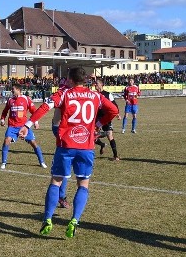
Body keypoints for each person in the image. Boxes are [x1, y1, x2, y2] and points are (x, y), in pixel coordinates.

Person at [19, 67, 118, 238]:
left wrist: (27, 125)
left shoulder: (64, 93)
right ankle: (74, 220)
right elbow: (114, 111)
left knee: (56, 182)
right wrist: (98, 124)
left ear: (70, 80)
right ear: (85, 80)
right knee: (83, 185)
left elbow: (44, 107)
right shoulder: (95, 96)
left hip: (66, 145)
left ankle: (48, 218)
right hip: (86, 147)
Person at [0, 83, 46, 169]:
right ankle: (3, 162)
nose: (11, 90)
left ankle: (42, 162)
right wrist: (2, 119)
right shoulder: (10, 100)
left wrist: (36, 122)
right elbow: (5, 111)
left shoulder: (26, 99)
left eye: (13, 89)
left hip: (24, 127)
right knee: (6, 141)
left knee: (33, 143)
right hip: (12, 126)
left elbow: (34, 111)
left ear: (18, 90)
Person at [94, 78, 121, 161]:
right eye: (95, 84)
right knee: (92, 135)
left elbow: (114, 106)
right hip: (96, 117)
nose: (95, 85)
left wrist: (117, 114)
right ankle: (102, 144)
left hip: (106, 117)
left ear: (101, 85)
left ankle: (115, 156)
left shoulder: (108, 94)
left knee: (110, 135)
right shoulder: (94, 95)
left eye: (96, 84)